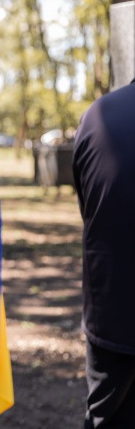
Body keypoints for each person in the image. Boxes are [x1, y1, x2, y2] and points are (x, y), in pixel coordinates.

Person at [73, 81, 135, 429]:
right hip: (110, 314)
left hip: (111, 309)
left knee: (107, 418)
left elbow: (88, 204)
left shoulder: (96, 114)